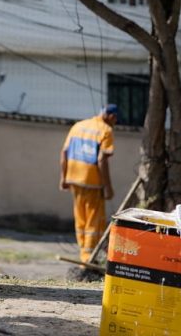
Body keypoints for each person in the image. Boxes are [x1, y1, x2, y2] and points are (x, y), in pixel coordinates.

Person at [60, 104, 116, 265]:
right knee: (94, 219)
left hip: (74, 177)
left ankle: (83, 251)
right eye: (115, 119)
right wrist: (108, 186)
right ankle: (89, 257)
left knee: (80, 217)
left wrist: (63, 178)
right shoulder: (106, 130)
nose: (115, 123)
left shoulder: (78, 126)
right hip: (92, 180)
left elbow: (64, 153)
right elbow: (101, 160)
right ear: (111, 116)